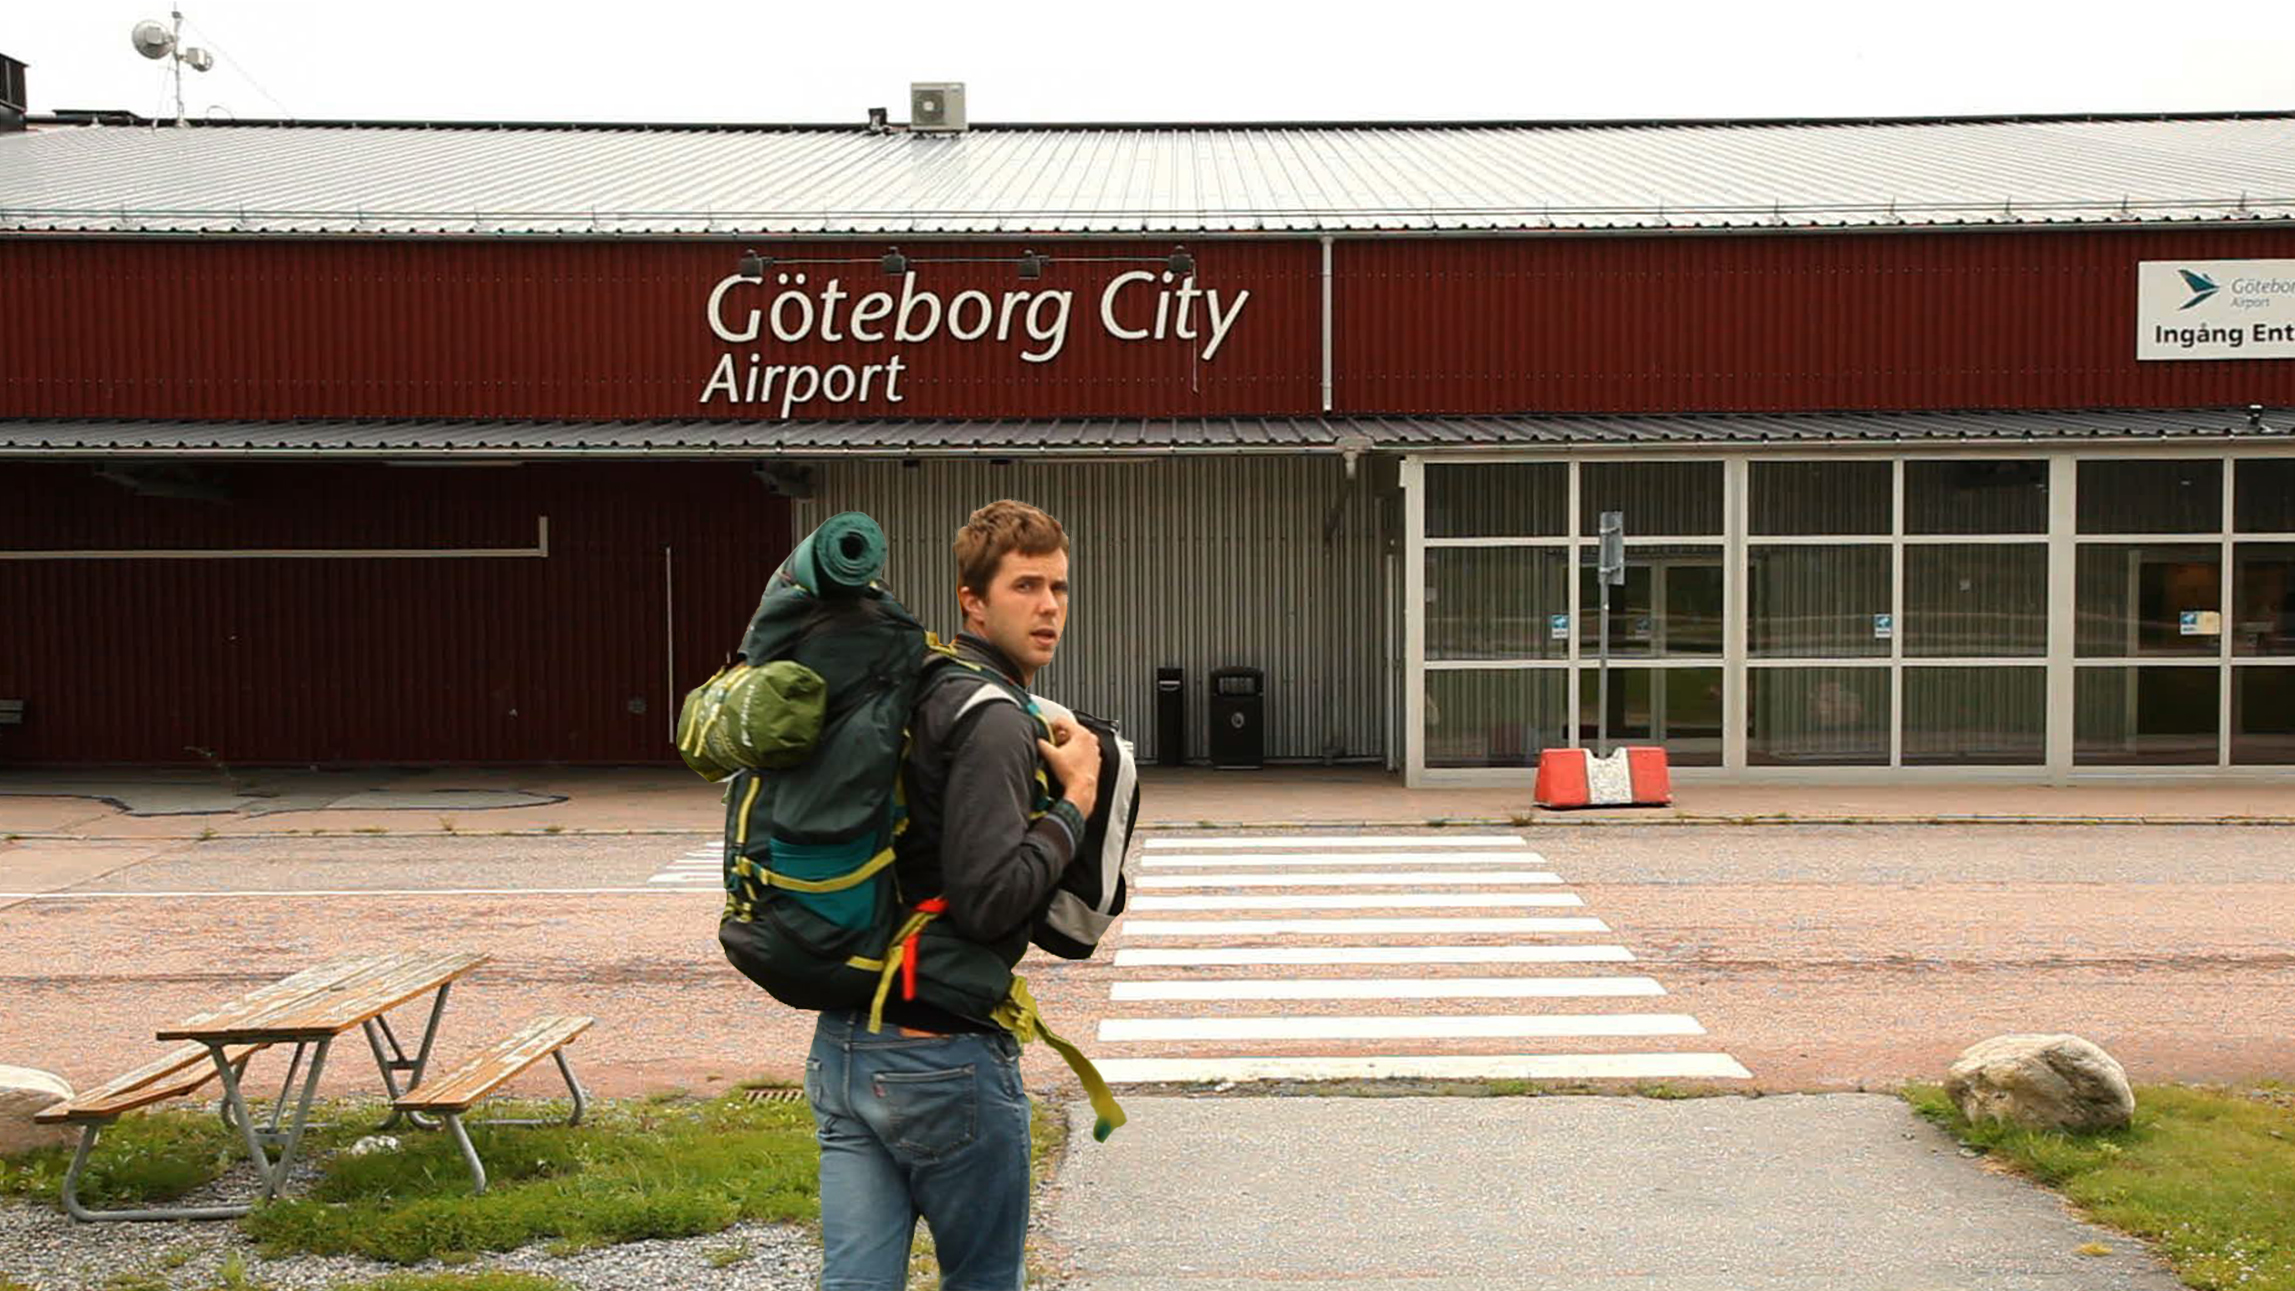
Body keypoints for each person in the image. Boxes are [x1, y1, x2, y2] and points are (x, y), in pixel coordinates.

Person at [806, 499, 1101, 1291]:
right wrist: (1076, 799)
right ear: (972, 599)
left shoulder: (914, 690)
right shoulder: (992, 716)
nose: (1048, 607)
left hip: (845, 1044)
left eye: (1058, 587)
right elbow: (988, 901)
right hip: (940, 1057)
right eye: (1024, 586)